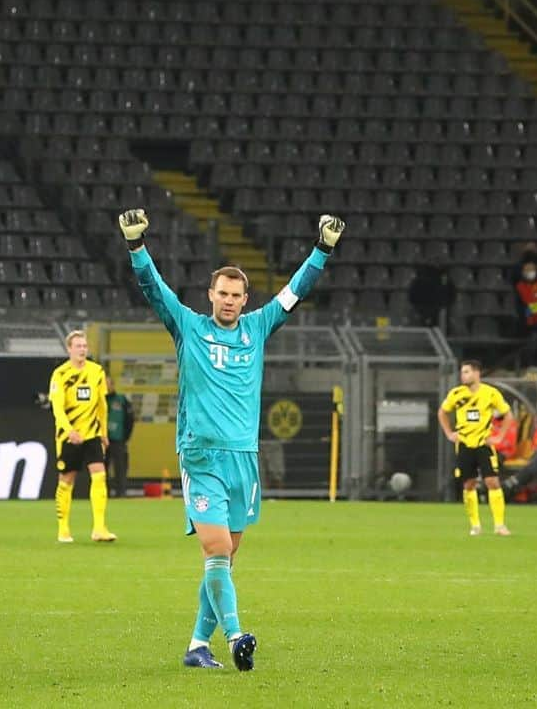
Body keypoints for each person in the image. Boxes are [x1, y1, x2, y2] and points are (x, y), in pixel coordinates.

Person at [119, 206, 344, 671]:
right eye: (222, 293)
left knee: (225, 556)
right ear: (210, 295)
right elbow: (153, 290)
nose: (228, 300)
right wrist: (137, 247)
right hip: (200, 455)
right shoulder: (189, 326)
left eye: (236, 295)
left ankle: (198, 647)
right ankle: (237, 636)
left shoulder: (257, 329)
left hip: (244, 457)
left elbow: (293, 293)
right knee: (216, 548)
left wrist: (322, 250)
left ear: (245, 300)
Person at [48, 330, 116, 545]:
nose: (82, 350)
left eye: (85, 346)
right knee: (67, 481)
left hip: (92, 434)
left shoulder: (96, 372)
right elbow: (57, 408)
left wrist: (103, 432)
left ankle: (99, 528)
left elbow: (101, 405)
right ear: (69, 349)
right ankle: (63, 528)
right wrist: (69, 431)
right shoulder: (60, 374)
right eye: (78, 346)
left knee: (99, 475)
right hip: (69, 436)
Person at [437, 359, 513, 537]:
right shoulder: (456, 394)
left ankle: (499, 525)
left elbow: (508, 414)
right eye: (462, 372)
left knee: (492, 482)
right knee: (469, 484)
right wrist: (449, 433)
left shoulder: (490, 393)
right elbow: (442, 412)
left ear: (477, 373)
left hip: (483, 444)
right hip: (464, 444)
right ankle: (475, 525)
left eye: (467, 372)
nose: (463, 375)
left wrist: (499, 436)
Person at [105, 374, 135, 498]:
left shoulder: (121, 400)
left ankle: (120, 493)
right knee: (101, 469)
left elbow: (130, 419)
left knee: (120, 467)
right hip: (101, 440)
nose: (106, 386)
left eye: (108, 383)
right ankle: (103, 493)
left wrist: (125, 437)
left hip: (118, 440)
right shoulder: (98, 400)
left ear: (112, 385)